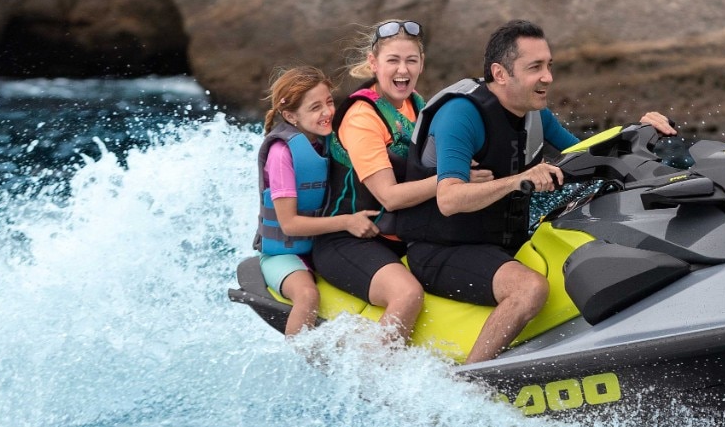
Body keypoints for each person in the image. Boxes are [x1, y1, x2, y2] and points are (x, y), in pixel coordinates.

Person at [396, 19, 676, 363]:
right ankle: (470, 383)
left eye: (549, 66)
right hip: (441, 252)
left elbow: (589, 157)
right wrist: (519, 179)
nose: (548, 77)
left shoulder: (533, 115)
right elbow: (449, 199)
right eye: (535, 68)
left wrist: (640, 130)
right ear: (500, 74)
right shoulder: (461, 114)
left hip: (500, 245)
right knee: (530, 288)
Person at [310, 19, 491, 342]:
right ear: (373, 63)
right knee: (407, 295)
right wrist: (455, 178)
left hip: (403, 236)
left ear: (422, 63)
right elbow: (390, 197)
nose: (402, 70)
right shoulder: (363, 117)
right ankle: (376, 383)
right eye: (393, 60)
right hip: (349, 239)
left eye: (411, 60)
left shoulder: (416, 104)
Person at [254, 66, 380, 337]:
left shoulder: (329, 141)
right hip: (284, 254)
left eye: (329, 102)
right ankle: (297, 368)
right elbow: (289, 224)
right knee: (308, 295)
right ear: (291, 116)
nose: (327, 113)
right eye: (315, 108)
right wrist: (347, 222)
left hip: (323, 248)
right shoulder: (281, 154)